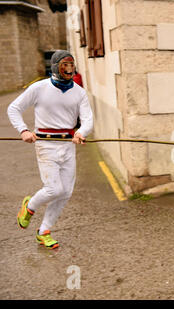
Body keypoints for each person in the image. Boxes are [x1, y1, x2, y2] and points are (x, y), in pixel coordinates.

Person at [7, 50, 93, 249]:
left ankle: (44, 231)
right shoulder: (39, 88)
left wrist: (82, 132)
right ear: (56, 66)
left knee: (66, 192)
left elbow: (88, 118)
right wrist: (23, 130)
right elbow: (13, 108)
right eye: (65, 65)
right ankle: (29, 206)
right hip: (45, 145)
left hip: (68, 145)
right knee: (54, 189)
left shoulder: (79, 92)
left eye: (71, 65)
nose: (69, 69)